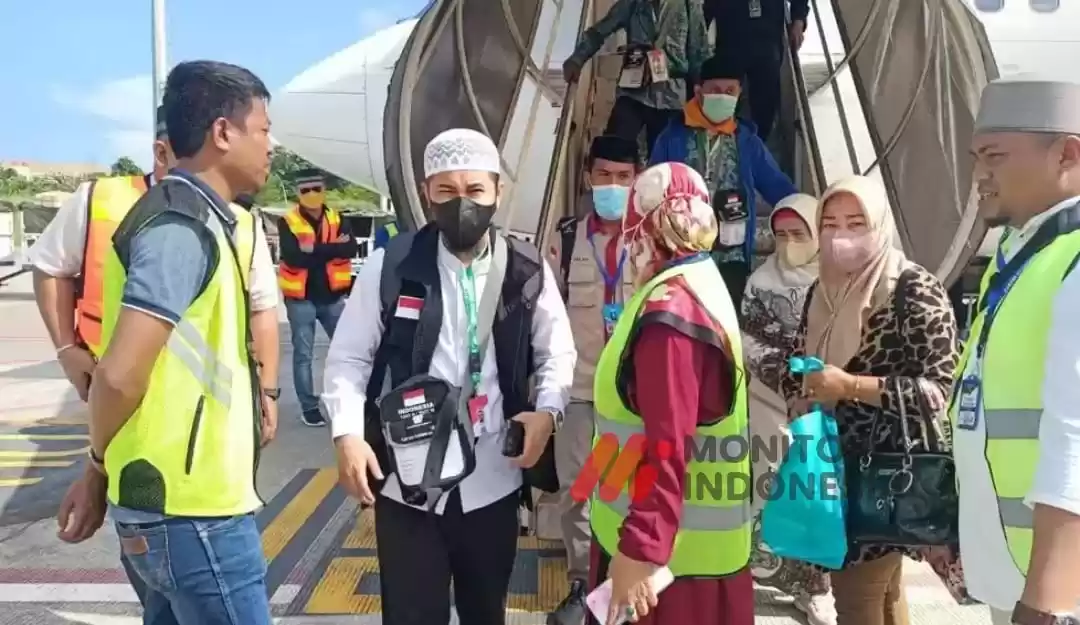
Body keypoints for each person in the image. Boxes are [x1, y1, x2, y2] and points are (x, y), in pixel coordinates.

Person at [324, 128, 576, 625]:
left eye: (476, 190)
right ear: (426, 193)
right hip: (408, 485)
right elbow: (349, 358)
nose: (463, 204)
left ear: (498, 190)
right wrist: (347, 434)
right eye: (447, 191)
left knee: (486, 612)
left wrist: (548, 412)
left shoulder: (526, 270)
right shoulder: (391, 266)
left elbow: (557, 353)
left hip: (493, 479)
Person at [32, 107, 280, 560]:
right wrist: (67, 347)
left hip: (190, 449)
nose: (270, 145)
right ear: (163, 151)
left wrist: (266, 389)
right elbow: (51, 268)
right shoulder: (118, 205)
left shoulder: (239, 221)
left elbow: (262, 308)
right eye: (263, 131)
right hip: (156, 452)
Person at [82, 60, 277, 624]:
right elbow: (119, 375)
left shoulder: (209, 220)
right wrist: (94, 465)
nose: (271, 145)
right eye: (263, 130)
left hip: (175, 505)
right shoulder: (180, 228)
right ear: (223, 132)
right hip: (193, 513)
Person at [779, 175, 959, 625]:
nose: (841, 236)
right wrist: (799, 391)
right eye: (830, 224)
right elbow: (798, 359)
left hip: (885, 474)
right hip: (833, 466)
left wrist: (850, 386)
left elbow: (938, 391)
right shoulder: (822, 289)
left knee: (857, 600)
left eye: (856, 223)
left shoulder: (912, 288)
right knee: (883, 596)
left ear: (879, 224)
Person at [589, 162, 754, 625]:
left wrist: (640, 548)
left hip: (669, 571)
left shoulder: (671, 313)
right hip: (692, 554)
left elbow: (668, 445)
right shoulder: (700, 279)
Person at [956, 77, 1080, 625]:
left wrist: (1046, 603)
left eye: (996, 157)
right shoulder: (1021, 253)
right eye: (976, 158)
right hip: (1012, 571)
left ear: (1067, 154)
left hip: (1056, 593)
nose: (980, 175)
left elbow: (1073, 439)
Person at [546, 135, 639, 625]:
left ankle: (626, 580)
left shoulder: (650, 240)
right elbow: (546, 316)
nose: (613, 186)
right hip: (580, 390)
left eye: (623, 177)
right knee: (580, 490)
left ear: (637, 180)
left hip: (633, 397)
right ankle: (583, 581)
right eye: (603, 175)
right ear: (587, 178)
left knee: (631, 490)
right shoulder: (566, 239)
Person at [741, 192, 836, 625]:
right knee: (774, 488)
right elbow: (748, 340)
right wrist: (792, 374)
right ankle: (773, 575)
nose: (789, 244)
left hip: (826, 405)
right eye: (781, 235)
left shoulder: (839, 277)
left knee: (820, 495)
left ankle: (817, 587)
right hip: (770, 402)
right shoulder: (761, 281)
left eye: (799, 233)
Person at [649, 49, 797, 309]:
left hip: (732, 254)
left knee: (727, 325)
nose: (723, 96)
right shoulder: (672, 138)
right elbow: (650, 190)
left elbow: (778, 187)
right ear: (698, 93)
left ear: (739, 94)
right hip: (682, 255)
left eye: (730, 91)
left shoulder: (747, 141)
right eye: (715, 90)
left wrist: (807, 215)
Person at [562, 0, 709, 153]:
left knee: (664, 159)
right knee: (614, 151)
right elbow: (598, 32)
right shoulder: (632, 3)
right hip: (633, 91)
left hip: (672, 97)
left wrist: (699, 96)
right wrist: (577, 59)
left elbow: (699, 53)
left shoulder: (689, 5)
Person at [277, 168, 357, 426]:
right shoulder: (287, 221)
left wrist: (313, 249)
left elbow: (350, 248)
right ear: (297, 193)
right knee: (303, 355)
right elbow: (293, 257)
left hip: (332, 298)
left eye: (316, 189)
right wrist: (333, 249)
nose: (311, 194)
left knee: (348, 351)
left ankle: (350, 397)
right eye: (305, 190)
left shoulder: (337, 218)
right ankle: (309, 407)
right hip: (301, 299)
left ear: (324, 190)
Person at [704, 0, 808, 140]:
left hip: (767, 36)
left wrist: (798, 20)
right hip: (730, 33)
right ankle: (722, 144)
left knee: (765, 105)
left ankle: (759, 143)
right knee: (723, 101)